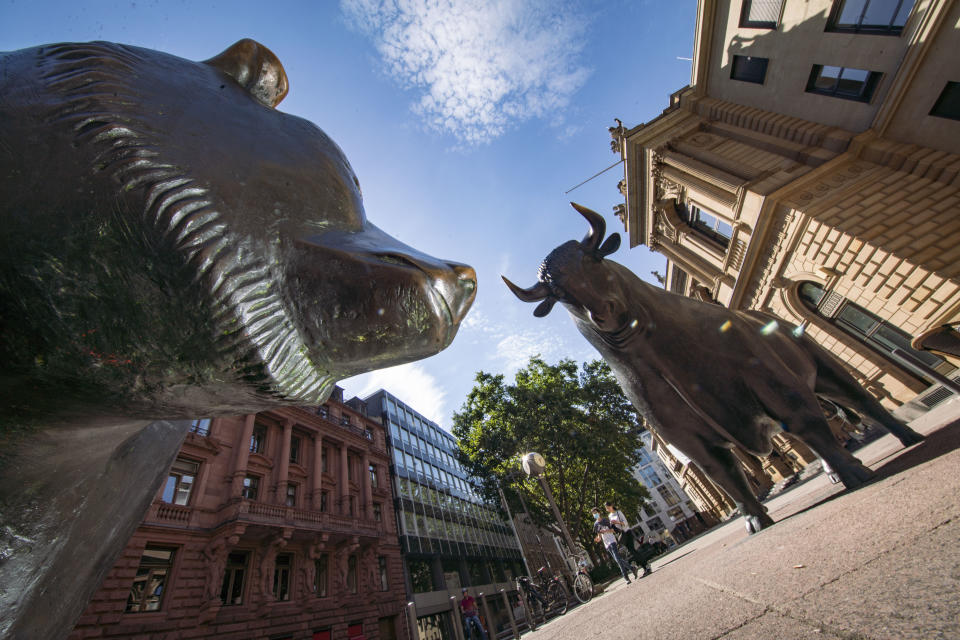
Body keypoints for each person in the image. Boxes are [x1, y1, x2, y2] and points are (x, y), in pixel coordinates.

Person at [606, 502, 650, 577]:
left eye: (608, 507)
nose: (607, 509)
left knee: (633, 551)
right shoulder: (609, 516)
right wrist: (608, 530)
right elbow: (615, 529)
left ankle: (646, 567)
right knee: (632, 552)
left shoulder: (618, 512)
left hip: (627, 532)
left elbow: (625, 523)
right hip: (622, 535)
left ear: (612, 506)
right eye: (606, 508)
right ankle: (645, 567)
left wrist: (617, 522)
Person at [592, 507, 633, 584]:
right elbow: (599, 535)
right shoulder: (595, 524)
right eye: (593, 514)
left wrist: (606, 530)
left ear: (599, 513)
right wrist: (598, 539)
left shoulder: (605, 520)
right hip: (606, 544)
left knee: (617, 559)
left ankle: (626, 577)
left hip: (612, 540)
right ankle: (632, 568)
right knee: (618, 560)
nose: (595, 515)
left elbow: (613, 530)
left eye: (595, 513)